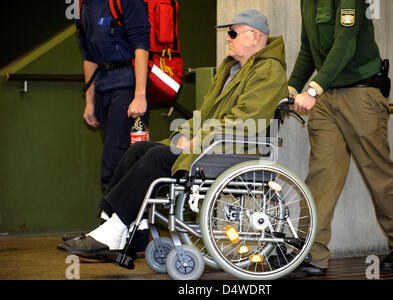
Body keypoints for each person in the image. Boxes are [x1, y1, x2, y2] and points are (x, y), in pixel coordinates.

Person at [58, 9, 289, 258]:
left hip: (232, 149)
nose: (227, 38)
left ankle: (114, 231)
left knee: (155, 159)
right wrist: (185, 134)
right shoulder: (231, 70)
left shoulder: (268, 71)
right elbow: (204, 113)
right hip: (212, 145)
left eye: (232, 33)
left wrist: (200, 138)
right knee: (139, 149)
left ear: (254, 36)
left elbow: (245, 120)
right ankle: (111, 224)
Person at [288, 0, 393, 275]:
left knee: (378, 173)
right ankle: (312, 252)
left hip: (360, 92)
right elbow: (307, 50)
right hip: (326, 96)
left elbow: (345, 45)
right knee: (322, 174)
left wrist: (312, 90)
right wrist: (291, 86)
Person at [74, 0, 151, 253]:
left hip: (127, 86)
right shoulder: (83, 4)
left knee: (116, 161)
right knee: (117, 165)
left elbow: (141, 46)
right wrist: (89, 100)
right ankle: (132, 235)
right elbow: (89, 55)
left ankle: (114, 235)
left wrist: (140, 95)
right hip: (104, 86)